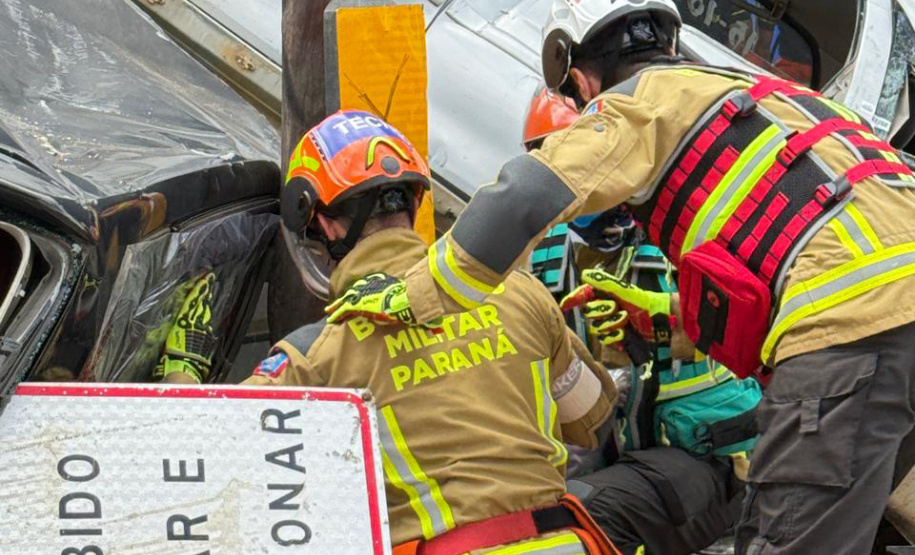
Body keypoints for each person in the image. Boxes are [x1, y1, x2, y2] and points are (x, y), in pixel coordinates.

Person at [325, 1, 915, 553]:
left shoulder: (643, 102)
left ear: (580, 80)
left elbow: (525, 194)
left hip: (855, 334)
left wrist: (413, 294)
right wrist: (669, 322)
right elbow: (804, 242)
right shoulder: (768, 98)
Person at [235, 110, 622, 555]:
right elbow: (592, 418)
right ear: (414, 202)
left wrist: (184, 369)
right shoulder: (520, 292)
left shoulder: (315, 355)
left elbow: (206, 466)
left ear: (320, 224)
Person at [525, 88, 755, 555]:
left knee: (579, 514)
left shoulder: (686, 238)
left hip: (709, 458)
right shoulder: (545, 255)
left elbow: (750, 334)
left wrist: (657, 329)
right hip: (621, 454)